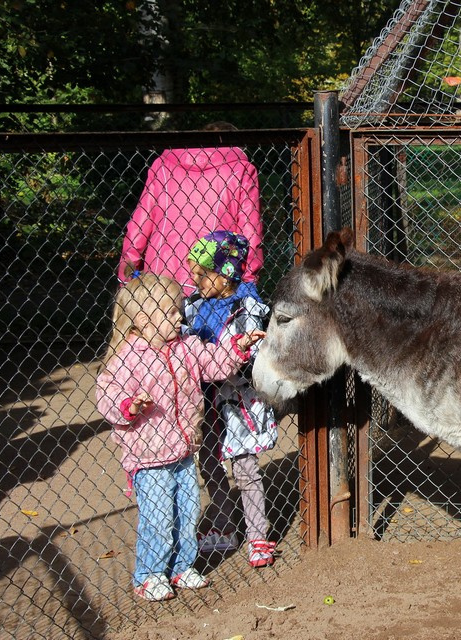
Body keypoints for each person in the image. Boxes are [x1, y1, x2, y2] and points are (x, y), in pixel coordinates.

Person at [94, 274, 264, 601]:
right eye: (170, 312)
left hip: (184, 450)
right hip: (148, 456)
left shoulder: (186, 347)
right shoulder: (129, 357)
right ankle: (149, 574)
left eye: (178, 310)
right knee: (158, 518)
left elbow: (214, 363)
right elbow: (107, 393)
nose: (179, 317)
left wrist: (236, 348)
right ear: (143, 320)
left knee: (187, 514)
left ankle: (181, 566)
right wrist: (128, 405)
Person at [183, 231, 277, 568]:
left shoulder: (248, 307)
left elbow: (249, 357)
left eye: (200, 273)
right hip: (203, 400)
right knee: (208, 462)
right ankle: (224, 524)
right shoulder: (193, 304)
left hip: (236, 400)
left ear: (224, 275)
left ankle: (258, 536)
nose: (193, 279)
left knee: (245, 468)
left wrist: (220, 357)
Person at [117, 121, 264, 296]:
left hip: (159, 278)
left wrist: (126, 277)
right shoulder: (241, 170)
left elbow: (139, 227)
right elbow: (250, 232)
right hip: (213, 279)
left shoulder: (163, 166)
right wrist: (248, 282)